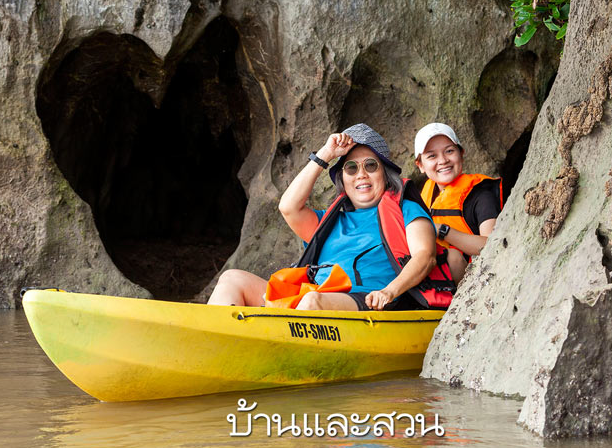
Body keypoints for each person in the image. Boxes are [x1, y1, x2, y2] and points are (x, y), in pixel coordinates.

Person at [208, 123, 452, 311]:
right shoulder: (328, 221)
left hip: (368, 302)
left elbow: (425, 257)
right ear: (342, 179)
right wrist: (326, 153)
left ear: (386, 174)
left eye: (371, 165)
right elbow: (288, 207)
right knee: (232, 278)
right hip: (313, 299)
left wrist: (389, 291)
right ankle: (215, 347)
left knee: (312, 302)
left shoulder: (407, 210)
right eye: (351, 168)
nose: (361, 175)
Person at [414, 122, 503, 282]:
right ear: (420, 165)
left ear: (461, 153)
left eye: (449, 151)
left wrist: (442, 231)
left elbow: (493, 245)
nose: (442, 160)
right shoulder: (424, 195)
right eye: (432, 156)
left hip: (473, 281)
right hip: (431, 277)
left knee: (453, 256)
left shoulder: (482, 196)